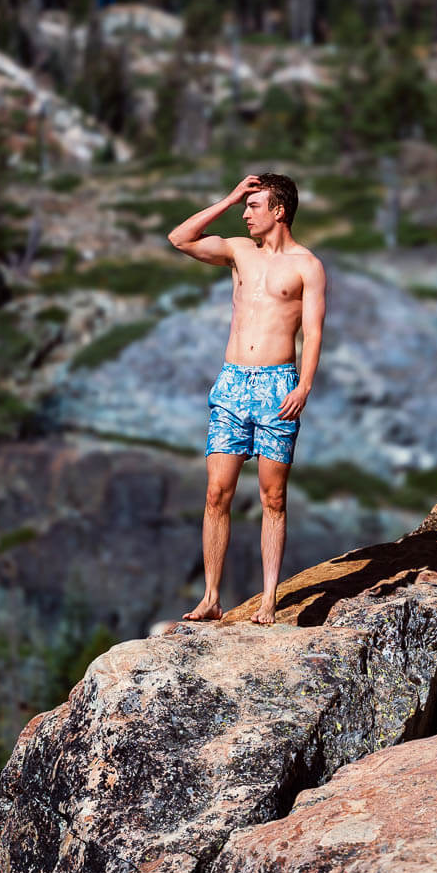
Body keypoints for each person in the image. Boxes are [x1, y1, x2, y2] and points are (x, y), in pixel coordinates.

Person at [167, 173, 327, 624]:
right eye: (245, 206)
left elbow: (313, 331)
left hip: (279, 385)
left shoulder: (306, 265)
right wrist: (231, 195)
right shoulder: (239, 251)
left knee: (273, 496)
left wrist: (304, 385)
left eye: (253, 206)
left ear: (279, 210)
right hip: (233, 381)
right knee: (217, 491)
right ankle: (212, 596)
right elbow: (179, 239)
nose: (245, 214)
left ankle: (269, 598)